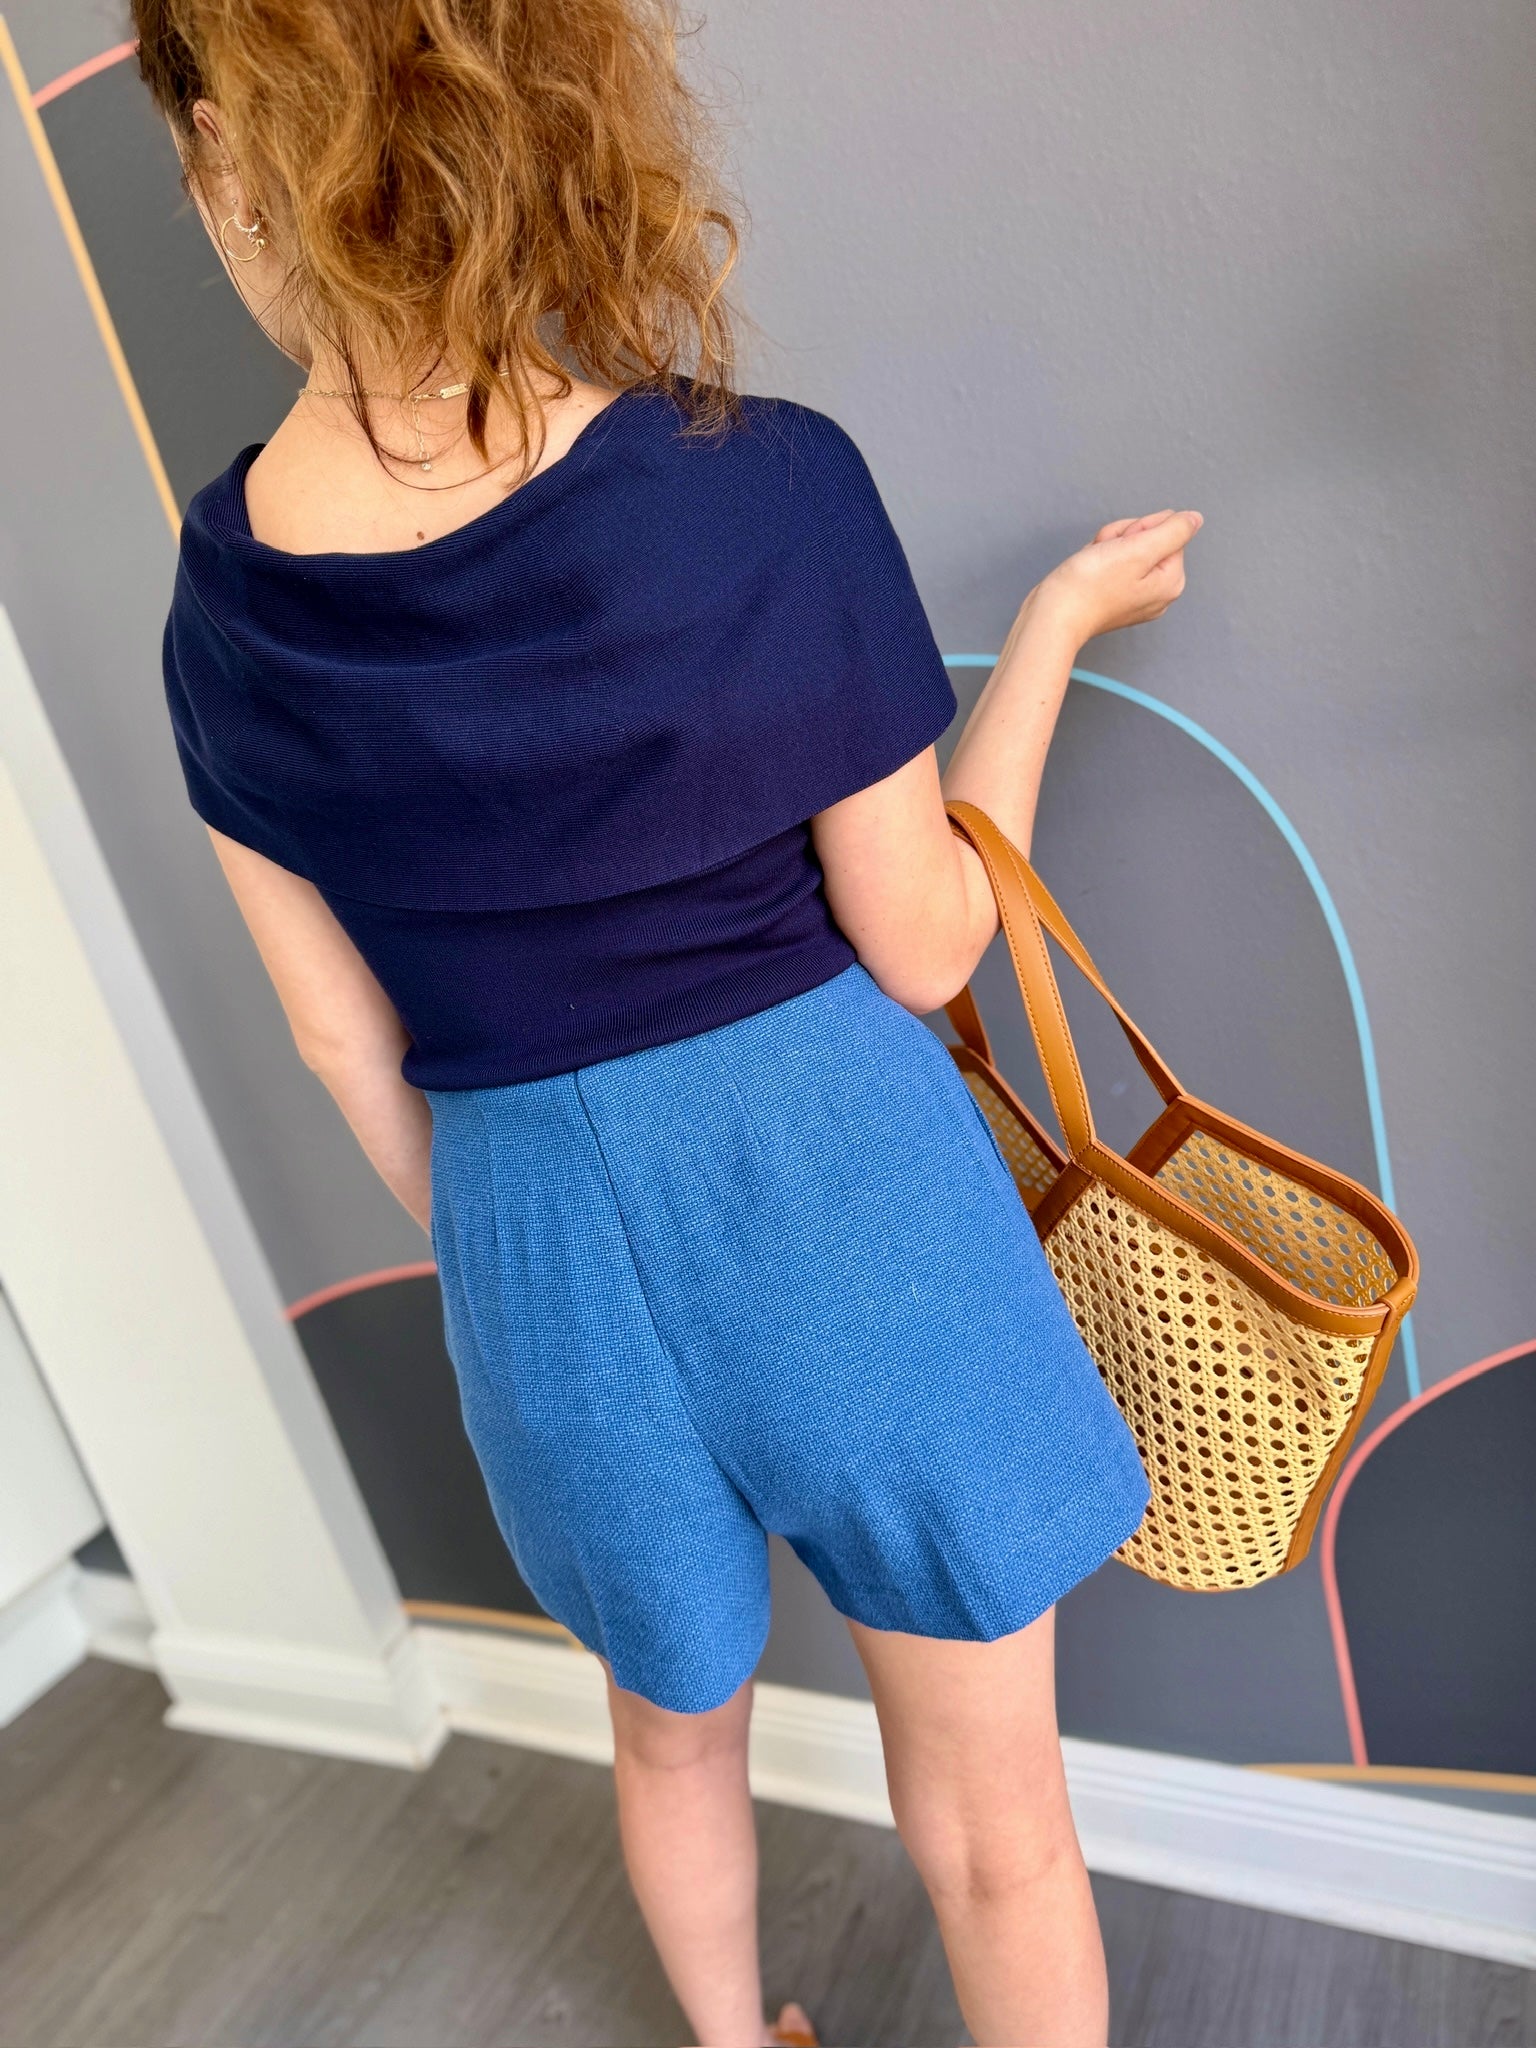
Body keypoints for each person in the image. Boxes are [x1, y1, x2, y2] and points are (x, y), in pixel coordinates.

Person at [133, 4, 1201, 2043]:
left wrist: (519, 1234)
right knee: (997, 1827)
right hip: (843, 1202)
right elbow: (927, 945)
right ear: (553, 118)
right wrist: (1053, 632)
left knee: (668, 1735)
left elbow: (341, 1039)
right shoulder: (762, 489)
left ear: (220, 170)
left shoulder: (222, 607)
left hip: (529, 1238)